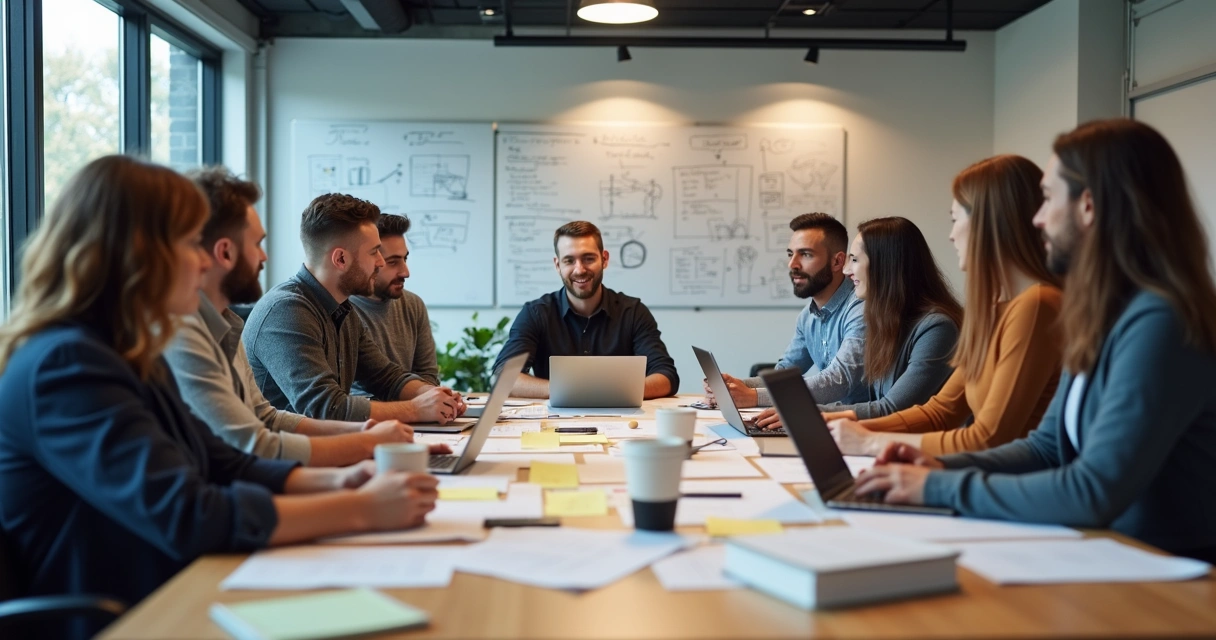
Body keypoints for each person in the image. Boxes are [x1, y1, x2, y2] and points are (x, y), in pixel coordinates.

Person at [0, 156, 440, 639]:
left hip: (176, 586)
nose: (208, 261)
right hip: (129, 613)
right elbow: (188, 513)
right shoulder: (66, 365)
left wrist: (342, 483)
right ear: (139, 253)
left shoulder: (123, 351)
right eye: (192, 243)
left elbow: (223, 462)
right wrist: (360, 509)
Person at [853, 119, 1216, 562]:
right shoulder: (1104, 314)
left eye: (1046, 199)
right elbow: (1046, 448)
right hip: (1114, 553)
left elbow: (1092, 490)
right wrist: (936, 467)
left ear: (1088, 206)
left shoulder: (1160, 321)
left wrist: (937, 485)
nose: (1038, 219)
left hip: (1167, 573)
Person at [165, 168, 437, 467]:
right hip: (276, 477)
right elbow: (308, 416)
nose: (265, 257)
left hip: (288, 472)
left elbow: (266, 418)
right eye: (257, 244)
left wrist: (368, 433)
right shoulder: (283, 311)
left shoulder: (229, 323)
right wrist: (378, 434)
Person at [827, 155, 1063, 456]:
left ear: (988, 222)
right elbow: (940, 411)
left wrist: (869, 441)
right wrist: (838, 422)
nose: (951, 236)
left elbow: (988, 439)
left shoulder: (1037, 305)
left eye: (955, 220)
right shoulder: (995, 309)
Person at [243, 193, 464, 424]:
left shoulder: (343, 311)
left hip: (326, 448)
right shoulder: (286, 311)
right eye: (374, 252)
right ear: (340, 259)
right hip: (287, 455)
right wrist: (415, 409)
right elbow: (325, 407)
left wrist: (433, 396)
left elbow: (386, 378)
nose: (380, 261)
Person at [754, 217, 961, 428]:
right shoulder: (886, 323)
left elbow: (892, 409)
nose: (845, 270)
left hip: (921, 454)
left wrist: (806, 412)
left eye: (854, 260)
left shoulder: (937, 329)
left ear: (885, 265)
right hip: (885, 444)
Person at [491, 220, 679, 399]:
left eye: (588, 258)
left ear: (604, 259)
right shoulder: (535, 314)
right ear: (558, 265)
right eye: (569, 261)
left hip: (621, 420)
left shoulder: (633, 312)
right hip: (554, 422)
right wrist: (569, 391)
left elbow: (666, 376)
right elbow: (502, 377)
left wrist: (609, 393)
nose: (579, 269)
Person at [708, 212, 868, 408]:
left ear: (837, 262)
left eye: (806, 254)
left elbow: (839, 380)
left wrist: (754, 396)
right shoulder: (807, 317)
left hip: (866, 426)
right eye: (791, 254)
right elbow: (784, 374)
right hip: (828, 421)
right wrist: (737, 385)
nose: (792, 264)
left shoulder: (861, 308)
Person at [351, 214, 442, 393]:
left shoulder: (413, 305)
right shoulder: (342, 310)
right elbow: (344, 398)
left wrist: (432, 402)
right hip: (365, 419)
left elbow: (428, 376)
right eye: (392, 262)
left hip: (414, 414)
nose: (405, 272)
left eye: (405, 259)